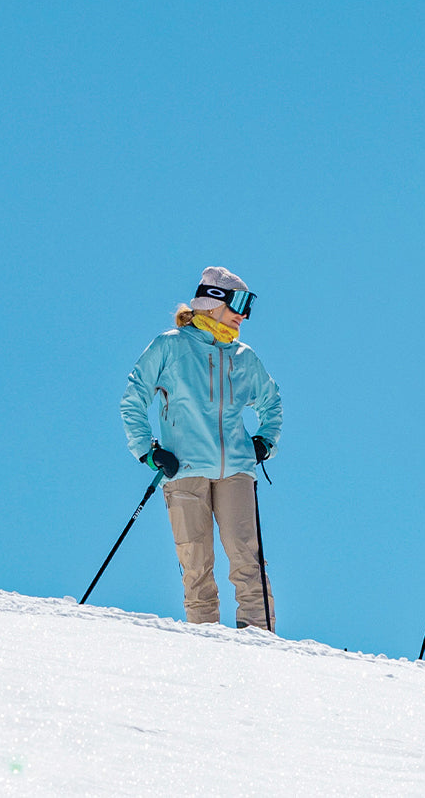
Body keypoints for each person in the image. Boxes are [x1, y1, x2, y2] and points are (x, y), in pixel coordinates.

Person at [120, 266, 283, 630]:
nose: (244, 314)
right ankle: (205, 647)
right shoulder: (171, 346)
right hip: (185, 470)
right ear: (213, 302)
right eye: (239, 303)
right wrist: (148, 451)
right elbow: (133, 398)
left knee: (248, 561)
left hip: (236, 470)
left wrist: (265, 441)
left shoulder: (243, 356)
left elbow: (271, 402)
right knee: (196, 565)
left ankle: (260, 642)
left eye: (249, 305)